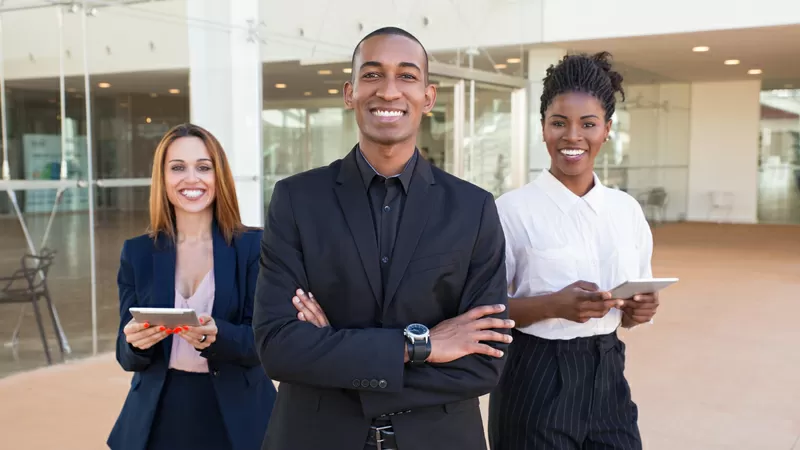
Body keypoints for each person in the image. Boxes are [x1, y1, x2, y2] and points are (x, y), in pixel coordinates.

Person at [253, 27, 515, 450]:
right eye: (372, 75)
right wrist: (423, 345)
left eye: (407, 76)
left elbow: (484, 364)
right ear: (350, 92)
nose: (389, 91)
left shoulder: (473, 208)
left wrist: (332, 357)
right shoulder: (296, 200)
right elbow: (278, 347)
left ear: (428, 98)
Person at [488, 52, 659, 450]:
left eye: (588, 124)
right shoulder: (510, 210)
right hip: (535, 378)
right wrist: (553, 306)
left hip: (608, 374)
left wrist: (639, 311)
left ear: (607, 130)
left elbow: (632, 303)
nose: (572, 136)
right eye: (559, 123)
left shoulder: (626, 211)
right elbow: (486, 310)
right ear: (543, 128)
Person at [107, 123, 277, 450]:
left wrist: (218, 336)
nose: (191, 178)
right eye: (177, 168)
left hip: (237, 415)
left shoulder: (254, 247)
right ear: (163, 178)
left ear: (219, 176)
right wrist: (136, 343)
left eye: (203, 167)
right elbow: (125, 355)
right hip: (160, 414)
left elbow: (266, 341)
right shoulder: (138, 252)